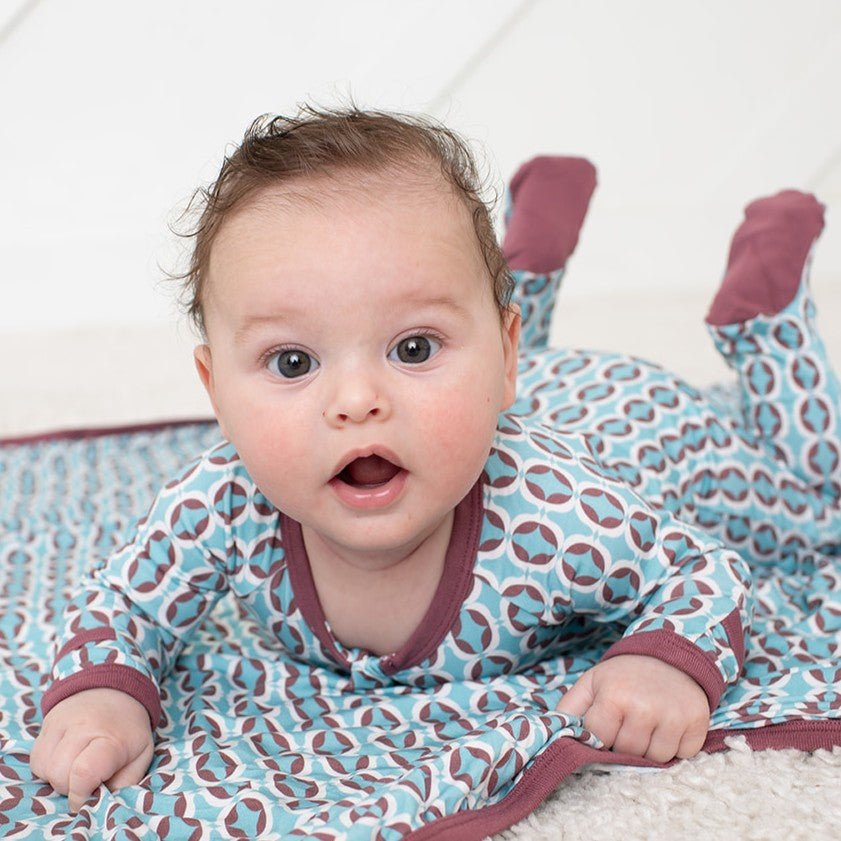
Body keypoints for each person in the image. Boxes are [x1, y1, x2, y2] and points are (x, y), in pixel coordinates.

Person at [29, 106, 840, 816]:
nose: (355, 401)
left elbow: (697, 572)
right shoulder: (226, 500)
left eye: (412, 347)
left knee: (807, 510)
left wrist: (660, 660)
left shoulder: (560, 512)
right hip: (506, 385)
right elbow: (122, 605)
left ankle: (765, 333)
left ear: (502, 355)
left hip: (630, 420)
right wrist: (106, 689)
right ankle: (515, 276)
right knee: (462, 349)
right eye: (290, 363)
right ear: (216, 389)